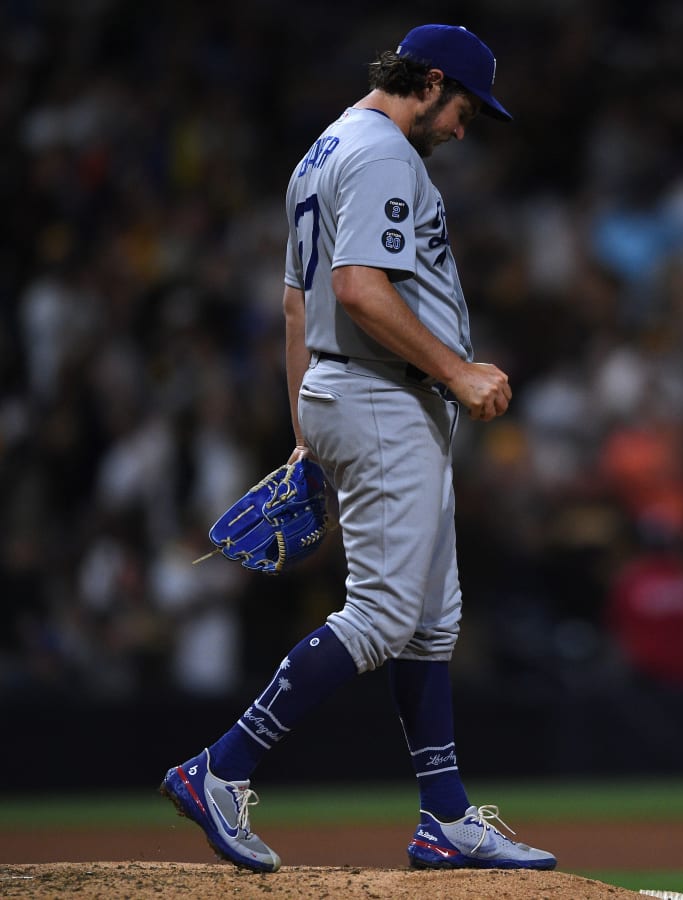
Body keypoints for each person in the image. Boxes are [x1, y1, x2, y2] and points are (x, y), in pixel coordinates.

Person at [159, 24, 556, 872]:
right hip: (383, 396)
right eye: (465, 109)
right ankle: (219, 769)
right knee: (380, 616)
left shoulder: (326, 145)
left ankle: (444, 819)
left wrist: (307, 428)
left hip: (353, 394)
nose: (464, 127)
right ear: (433, 81)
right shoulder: (382, 154)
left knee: (431, 617)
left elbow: (298, 304)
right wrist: (456, 370)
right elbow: (355, 289)